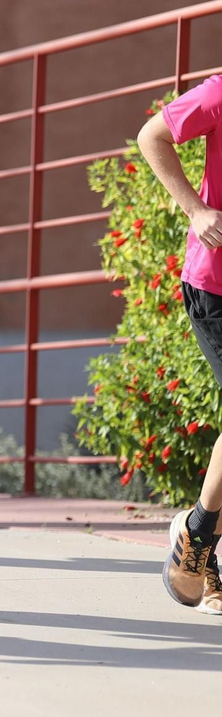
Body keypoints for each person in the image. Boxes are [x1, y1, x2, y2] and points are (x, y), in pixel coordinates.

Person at [138, 82, 222, 612]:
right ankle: (197, 539)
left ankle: (200, 541)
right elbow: (153, 136)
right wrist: (195, 210)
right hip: (216, 285)